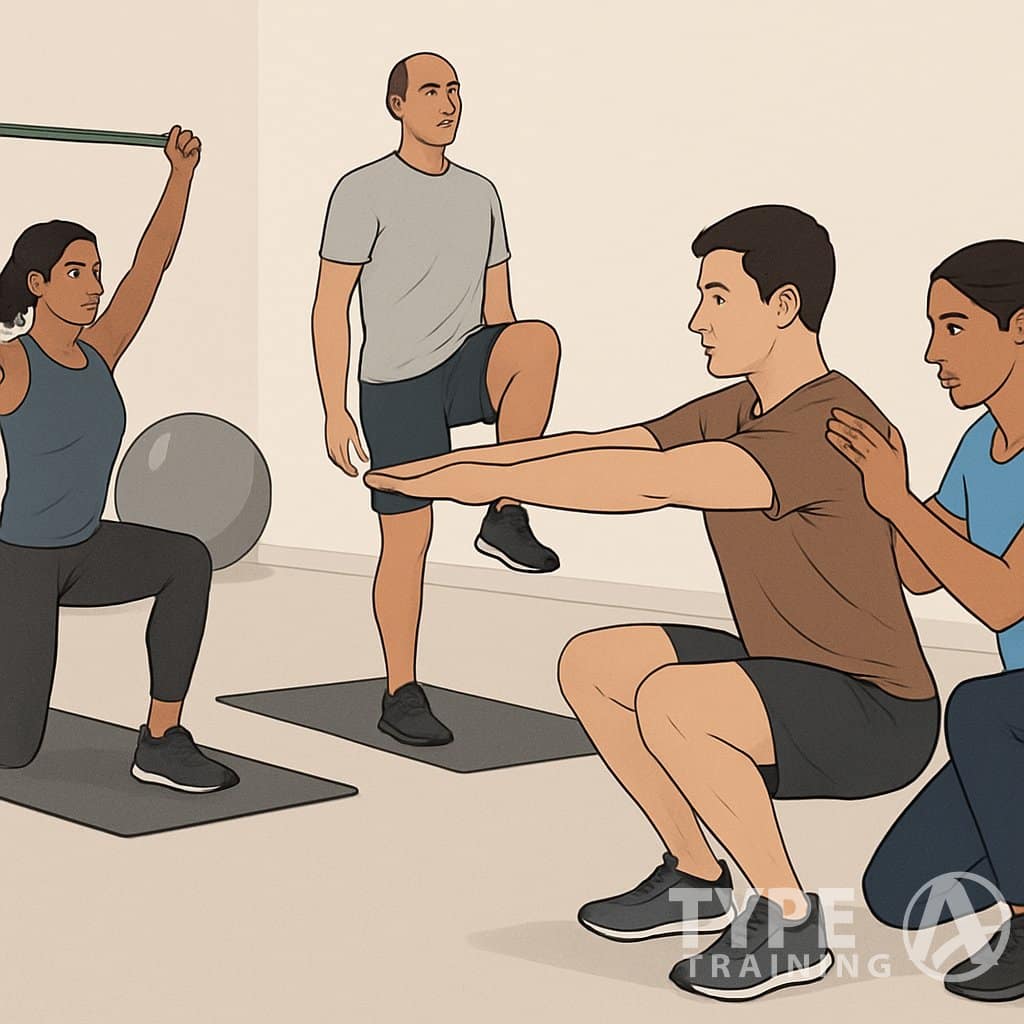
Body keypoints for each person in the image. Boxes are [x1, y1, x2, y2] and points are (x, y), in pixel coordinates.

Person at [366, 204, 940, 1000]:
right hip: (786, 671)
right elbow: (609, 445)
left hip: (878, 713)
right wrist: (445, 470)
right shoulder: (742, 406)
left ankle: (789, 920)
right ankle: (697, 876)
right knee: (596, 663)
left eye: (717, 296)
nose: (697, 319)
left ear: (782, 308)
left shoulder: (829, 428)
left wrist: (477, 480)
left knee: (672, 699)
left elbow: (643, 483)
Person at [312, 52, 562, 747]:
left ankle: (505, 513)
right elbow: (331, 305)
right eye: (430, 91)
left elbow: (500, 304)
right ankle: (401, 691)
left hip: (461, 364)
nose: (447, 103)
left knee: (535, 340)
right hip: (395, 383)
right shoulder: (362, 191)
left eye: (455, 91)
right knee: (408, 538)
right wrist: (335, 408)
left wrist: (508, 377)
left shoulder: (480, 192)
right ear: (397, 104)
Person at [0, 126, 238, 793]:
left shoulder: (100, 352)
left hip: (85, 548)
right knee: (13, 750)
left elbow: (152, 263)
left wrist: (181, 173)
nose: (94, 286)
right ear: (37, 283)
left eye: (96, 272)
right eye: (76, 272)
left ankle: (161, 740)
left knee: (186, 560)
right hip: (21, 563)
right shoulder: (11, 364)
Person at [830, 240, 1024, 1003]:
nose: (932, 352)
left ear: (1020, 328)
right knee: (901, 891)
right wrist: (854, 498)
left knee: (977, 704)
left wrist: (899, 502)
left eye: (954, 327)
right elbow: (917, 568)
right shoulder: (982, 443)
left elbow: (1006, 600)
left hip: (1009, 709)